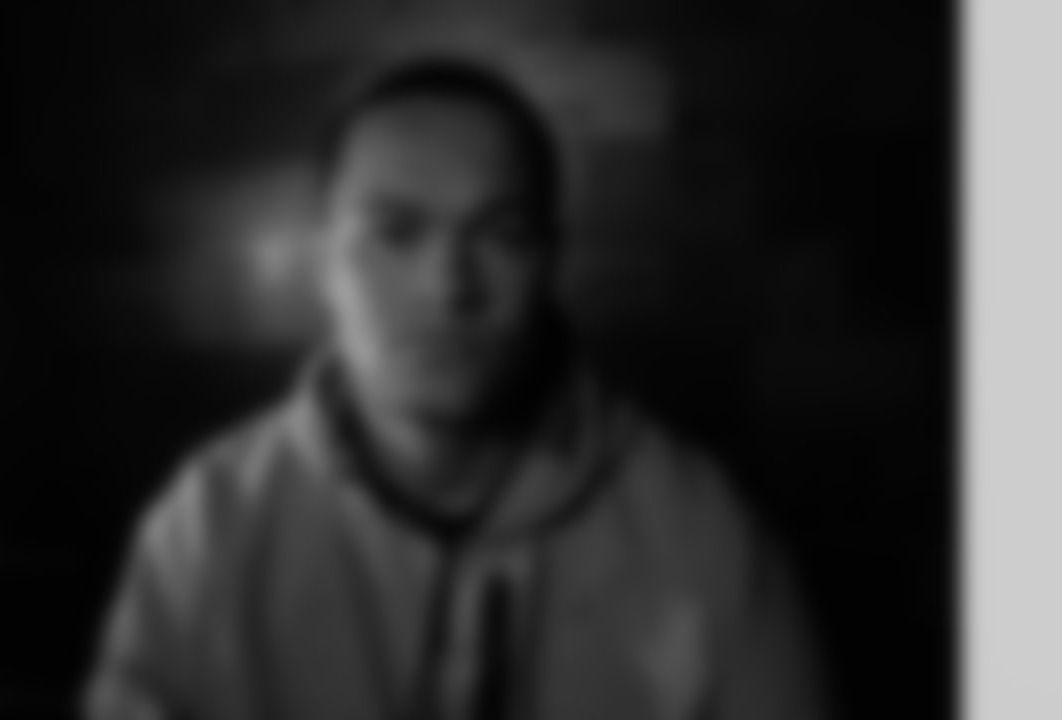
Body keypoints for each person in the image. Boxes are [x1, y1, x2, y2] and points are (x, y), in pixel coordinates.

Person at [83, 58, 829, 720]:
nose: (450, 288)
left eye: (502, 233)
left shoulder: (698, 533)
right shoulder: (209, 527)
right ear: (322, 265)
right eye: (396, 232)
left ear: (550, 262)